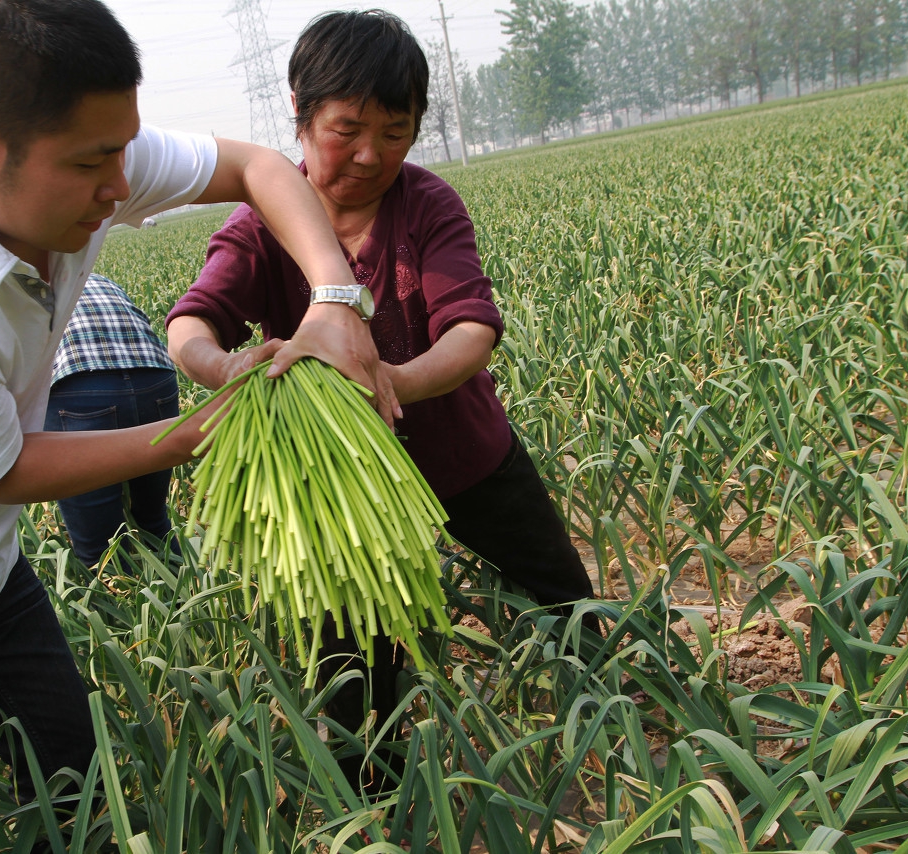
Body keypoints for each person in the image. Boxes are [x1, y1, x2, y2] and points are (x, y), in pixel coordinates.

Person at [0, 1, 391, 849]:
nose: (123, 187)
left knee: (77, 789)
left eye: (124, 149)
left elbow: (260, 167)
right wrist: (199, 430)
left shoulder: (71, 158)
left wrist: (335, 299)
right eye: (96, 163)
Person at [165, 9, 596, 793]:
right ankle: (375, 794)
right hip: (343, 493)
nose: (370, 155)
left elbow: (471, 329)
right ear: (299, 111)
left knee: (564, 597)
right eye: (347, 129)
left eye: (396, 132)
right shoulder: (262, 224)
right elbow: (192, 322)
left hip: (464, 457)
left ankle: (614, 709)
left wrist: (392, 380)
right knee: (356, 659)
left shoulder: (426, 204)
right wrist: (224, 368)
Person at [46, 273, 181, 565]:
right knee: (154, 521)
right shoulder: (93, 277)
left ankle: (114, 600)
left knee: (100, 548)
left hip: (80, 387)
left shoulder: (17, 287)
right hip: (155, 376)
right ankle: (182, 597)